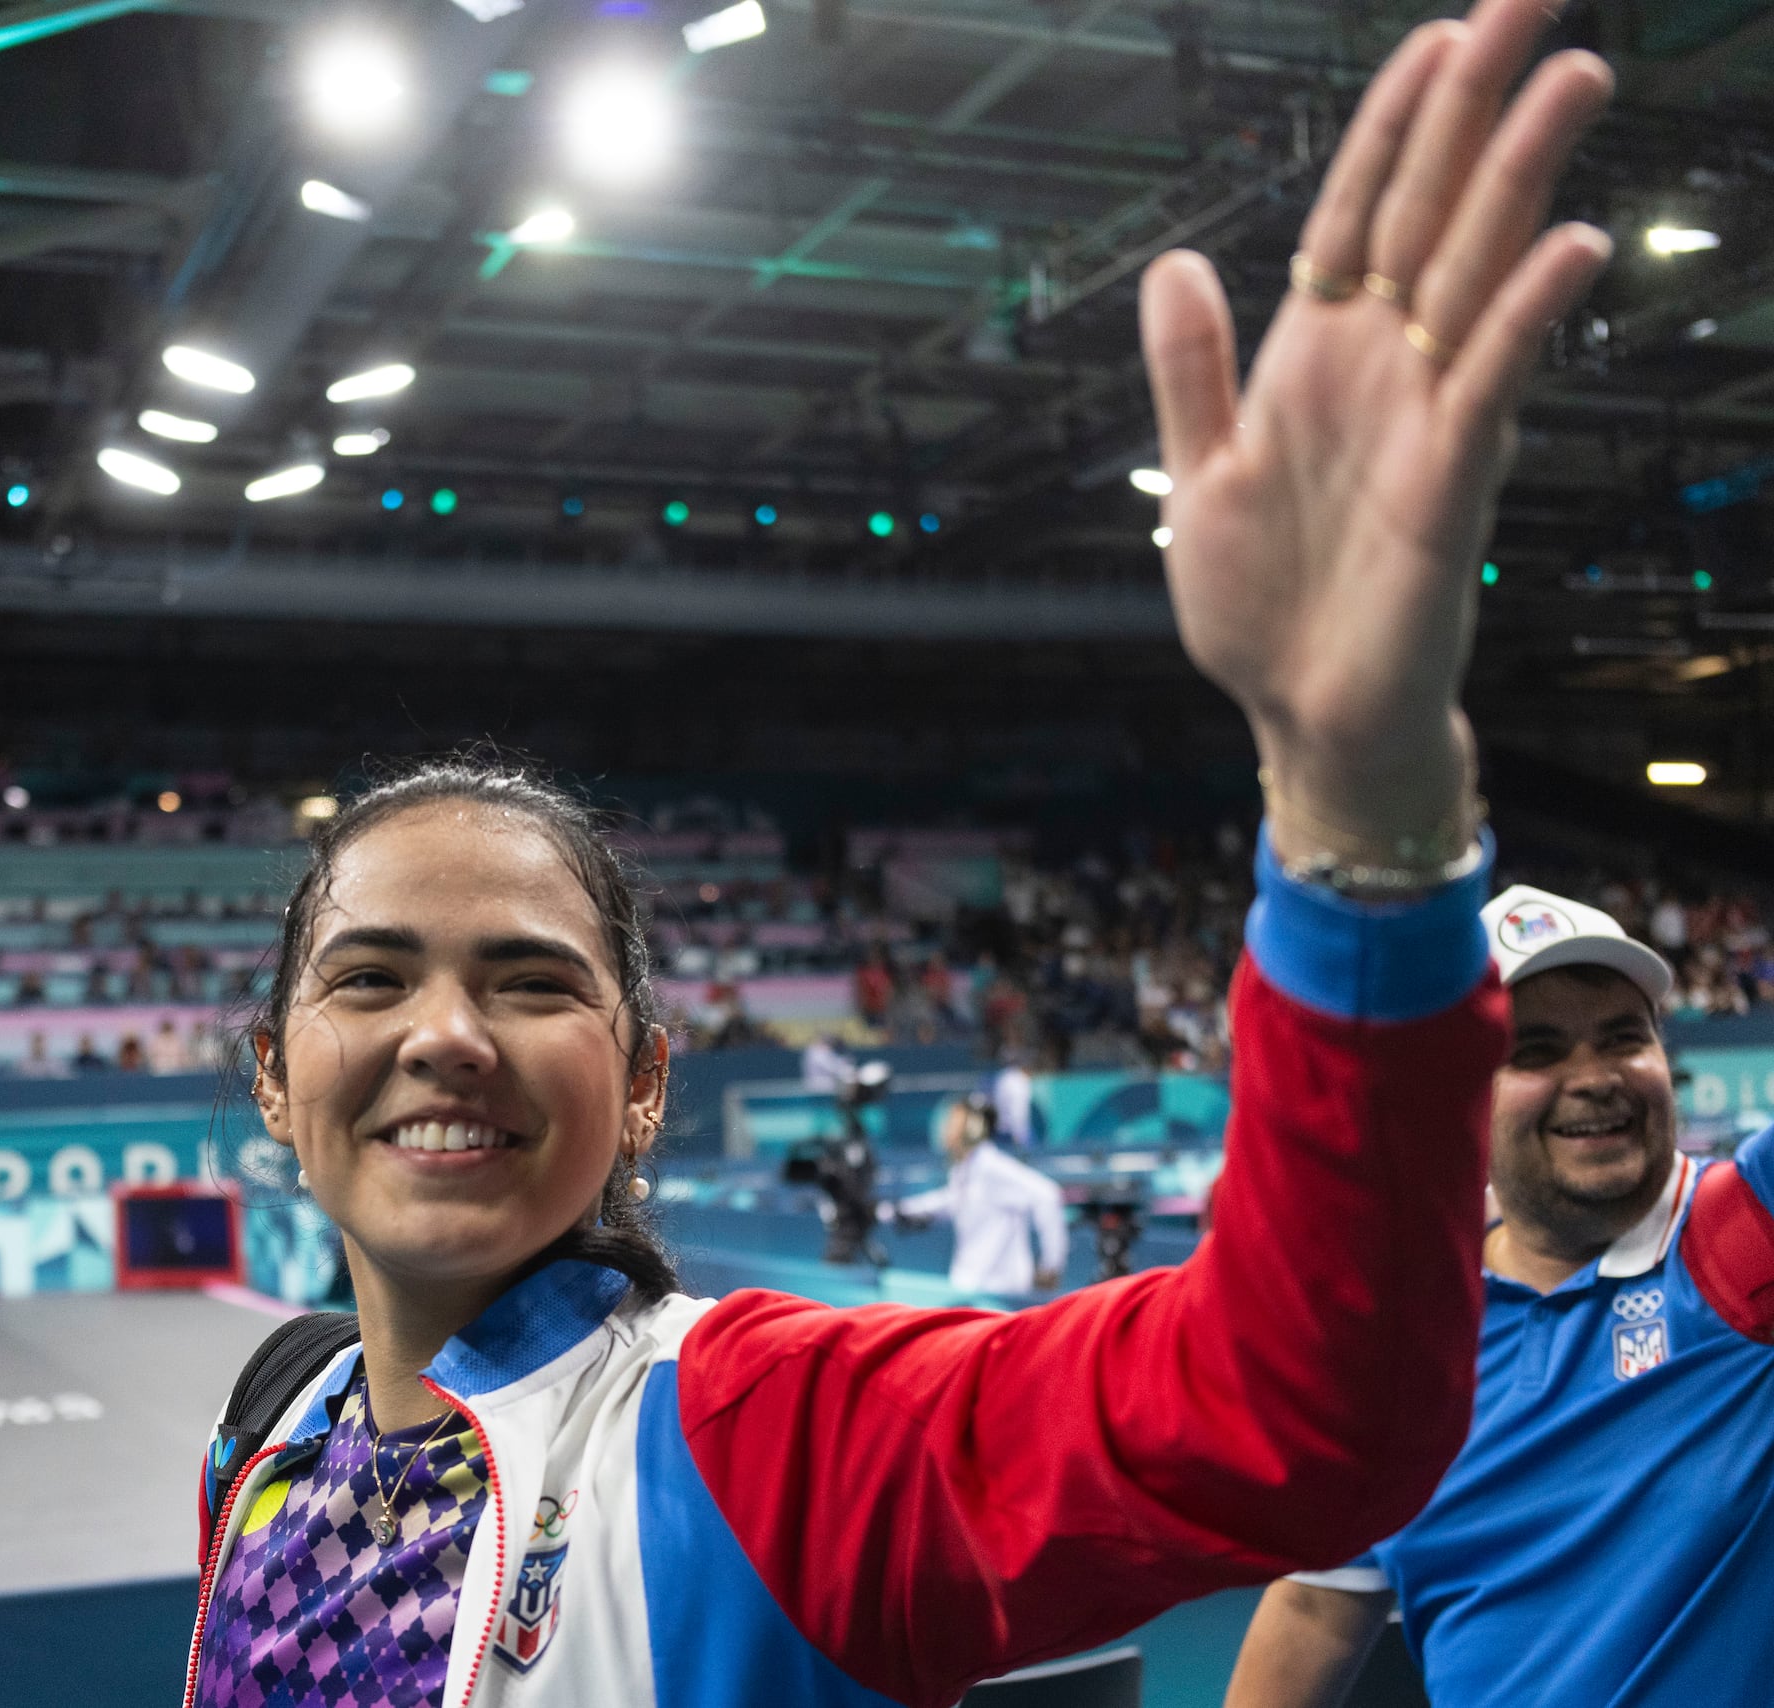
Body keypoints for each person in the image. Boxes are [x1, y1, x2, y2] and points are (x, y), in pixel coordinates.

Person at [191, 7, 1616, 1702]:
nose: (447, 1029)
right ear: (275, 1076)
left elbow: (1289, 1409)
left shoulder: (761, 1439)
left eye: (529, 977)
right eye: (372, 975)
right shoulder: (266, 1433)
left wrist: (1358, 800)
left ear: (643, 1082)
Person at [1222, 884, 1774, 1708]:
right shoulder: (1399, 1344)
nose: (1595, 1079)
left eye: (1624, 1037)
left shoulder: (1747, 1234)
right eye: (1537, 1050)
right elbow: (1314, 1606)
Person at [893, 1092, 1069, 1295]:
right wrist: (896, 1210)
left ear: (974, 1127)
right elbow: (950, 1199)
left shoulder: (993, 1168)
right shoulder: (965, 1169)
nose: (946, 1127)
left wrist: (1051, 1265)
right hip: (971, 1288)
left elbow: (1048, 1195)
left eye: (954, 1120)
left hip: (998, 1293)